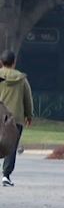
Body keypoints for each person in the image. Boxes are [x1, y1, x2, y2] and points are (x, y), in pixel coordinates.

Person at [0, 49, 35, 187]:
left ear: (1, 62)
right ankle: (6, 175)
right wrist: (29, 115)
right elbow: (28, 99)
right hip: (15, 118)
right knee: (11, 147)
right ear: (14, 63)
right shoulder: (21, 79)